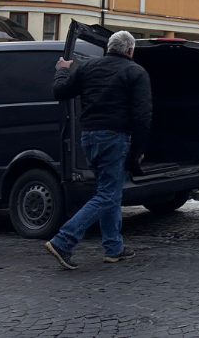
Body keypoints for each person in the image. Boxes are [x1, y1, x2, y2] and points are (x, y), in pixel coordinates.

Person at [45, 30, 151, 270]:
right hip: (115, 138)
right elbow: (143, 115)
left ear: (109, 48)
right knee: (107, 194)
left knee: (109, 191)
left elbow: (60, 92)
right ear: (130, 51)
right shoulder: (136, 72)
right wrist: (139, 150)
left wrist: (62, 69)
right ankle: (63, 241)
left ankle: (114, 248)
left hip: (89, 137)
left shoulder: (87, 68)